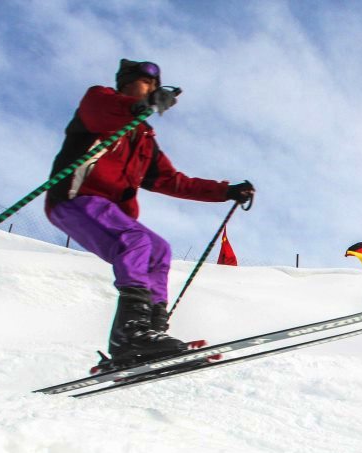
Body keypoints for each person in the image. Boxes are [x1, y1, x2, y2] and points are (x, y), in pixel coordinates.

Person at [45, 59, 255, 367]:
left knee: (158, 250)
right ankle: (132, 331)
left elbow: (172, 181)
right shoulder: (101, 102)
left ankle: (150, 332)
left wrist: (225, 191)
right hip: (76, 199)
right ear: (127, 81)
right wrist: (139, 107)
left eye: (156, 85)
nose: (153, 88)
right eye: (147, 82)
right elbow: (103, 111)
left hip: (111, 212)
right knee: (136, 240)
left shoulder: (143, 139)